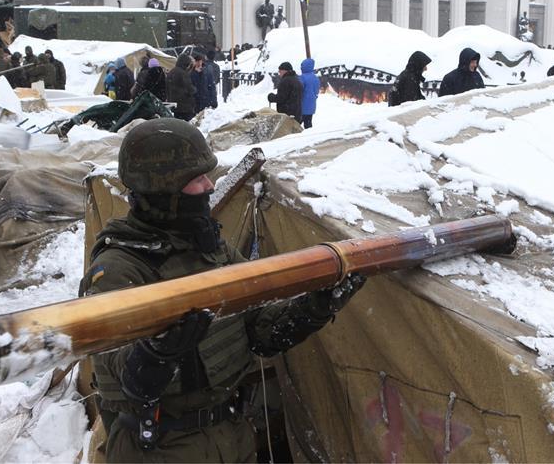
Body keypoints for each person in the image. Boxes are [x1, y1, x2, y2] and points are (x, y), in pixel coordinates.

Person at [79, 118, 365, 463]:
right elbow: (122, 376)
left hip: (230, 436)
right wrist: (157, 353)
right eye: (196, 179)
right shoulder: (119, 267)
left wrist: (317, 305)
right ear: (163, 189)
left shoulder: (211, 248)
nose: (210, 185)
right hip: (163, 450)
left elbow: (261, 330)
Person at [166, 53, 196, 121]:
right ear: (185, 63)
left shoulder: (171, 72)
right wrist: (194, 89)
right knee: (187, 125)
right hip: (185, 105)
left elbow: (167, 88)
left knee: (178, 124)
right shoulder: (183, 73)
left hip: (174, 104)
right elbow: (190, 88)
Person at [299, 57, 320, 129]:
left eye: (302, 65)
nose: (301, 67)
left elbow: (299, 90)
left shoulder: (302, 78)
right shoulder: (316, 78)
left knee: (296, 124)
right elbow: (316, 91)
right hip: (311, 104)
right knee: (308, 123)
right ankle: (309, 137)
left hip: (302, 105)